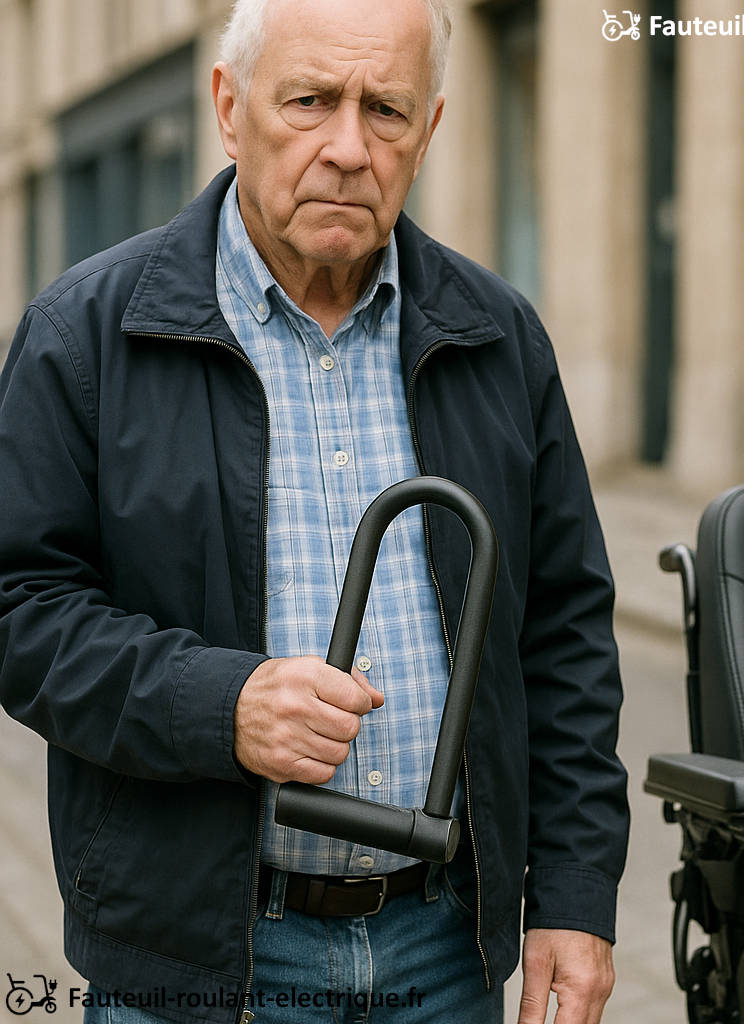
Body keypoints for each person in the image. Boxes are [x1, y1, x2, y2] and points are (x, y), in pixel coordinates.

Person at [0, 0, 628, 1021]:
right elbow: (19, 608)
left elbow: (562, 641)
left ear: (428, 129)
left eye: (385, 109)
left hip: (445, 951)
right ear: (228, 107)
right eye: (310, 101)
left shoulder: (499, 337)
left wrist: (573, 897)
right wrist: (223, 703)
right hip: (200, 960)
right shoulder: (85, 336)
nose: (347, 147)